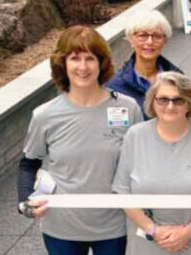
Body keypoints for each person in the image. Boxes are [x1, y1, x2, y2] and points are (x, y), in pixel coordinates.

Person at [17, 25, 143, 254]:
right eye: (75, 58)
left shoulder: (127, 108)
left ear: (101, 63)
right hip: (62, 227)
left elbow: (142, 162)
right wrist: (25, 202)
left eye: (90, 58)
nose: (83, 67)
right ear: (62, 64)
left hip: (114, 226)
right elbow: (28, 163)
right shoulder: (45, 115)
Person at [112, 72, 191, 255]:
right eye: (163, 99)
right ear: (152, 102)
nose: (170, 106)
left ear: (189, 104)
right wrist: (154, 231)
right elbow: (123, 192)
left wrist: (187, 232)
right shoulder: (135, 136)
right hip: (149, 245)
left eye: (178, 100)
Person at [108, 9, 181, 116]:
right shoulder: (116, 85)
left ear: (165, 41)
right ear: (131, 40)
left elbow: (190, 116)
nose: (150, 42)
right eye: (143, 36)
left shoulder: (178, 78)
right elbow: (116, 129)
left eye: (157, 36)